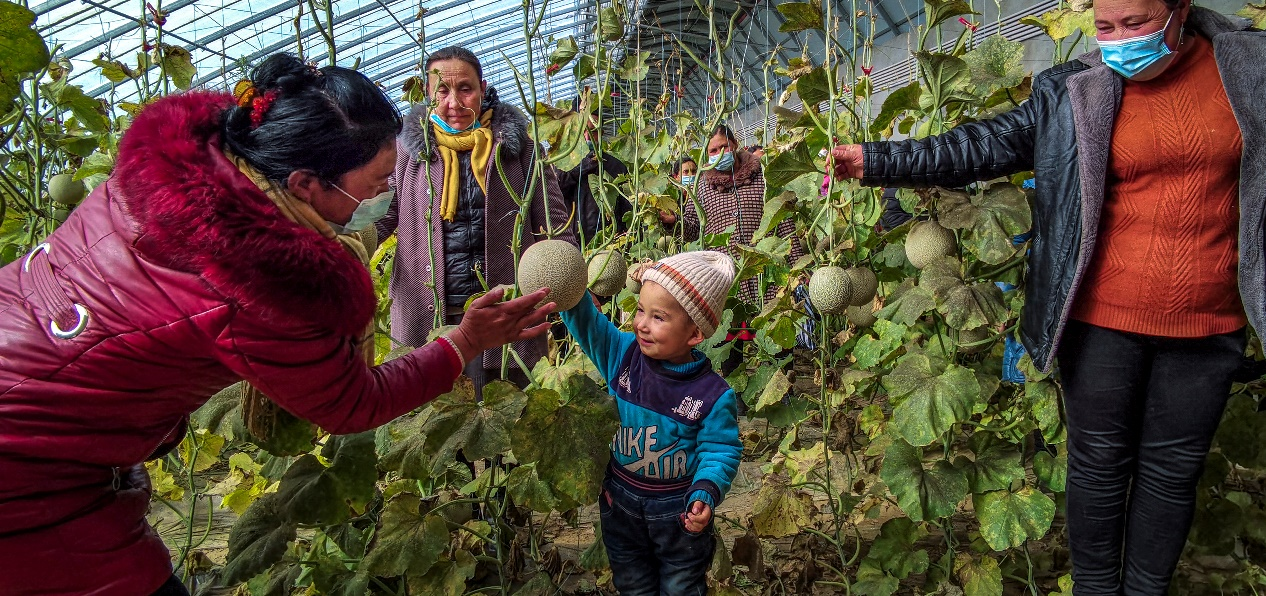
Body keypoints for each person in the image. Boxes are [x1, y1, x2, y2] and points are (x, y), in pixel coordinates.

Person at [0, 54, 555, 596]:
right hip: (25, 470)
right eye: (374, 184)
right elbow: (355, 403)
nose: (385, 194)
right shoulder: (262, 289)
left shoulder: (162, 175)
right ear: (304, 185)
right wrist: (466, 339)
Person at [829, 2, 1263, 592]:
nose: (1119, 42)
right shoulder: (1076, 88)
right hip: (1101, 316)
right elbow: (985, 144)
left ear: (1179, 10)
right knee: (1098, 465)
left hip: (1208, 320)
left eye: (1135, 25)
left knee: (1172, 472)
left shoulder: (1248, 68)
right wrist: (878, 159)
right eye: (1105, 28)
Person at [377, 46, 575, 395]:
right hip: (430, 313)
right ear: (428, 93)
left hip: (504, 313)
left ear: (482, 88)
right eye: (442, 90)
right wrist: (339, 246)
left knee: (505, 415)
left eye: (465, 89)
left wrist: (572, 286)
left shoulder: (519, 147)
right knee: (434, 421)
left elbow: (553, 224)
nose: (454, 102)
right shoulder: (409, 150)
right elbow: (382, 215)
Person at [559, 251, 743, 595]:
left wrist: (706, 489)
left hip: (679, 513)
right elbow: (588, 324)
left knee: (681, 586)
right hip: (620, 504)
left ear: (694, 334)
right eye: (640, 310)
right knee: (632, 583)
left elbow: (720, 450)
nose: (642, 323)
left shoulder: (713, 394)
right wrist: (566, 284)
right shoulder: (623, 355)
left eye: (658, 317)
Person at [679, 125, 805, 374]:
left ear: (734, 144)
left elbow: (784, 221)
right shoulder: (702, 186)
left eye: (723, 147)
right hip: (725, 276)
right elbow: (693, 229)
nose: (718, 153)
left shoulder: (763, 176)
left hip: (765, 272)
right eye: (713, 150)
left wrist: (797, 265)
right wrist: (674, 221)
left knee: (776, 333)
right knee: (728, 340)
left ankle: (781, 389)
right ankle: (736, 399)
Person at [557, 106, 630, 243]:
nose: (587, 137)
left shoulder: (616, 166)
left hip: (607, 244)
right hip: (570, 242)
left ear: (601, 133)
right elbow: (554, 191)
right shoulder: (562, 162)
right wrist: (578, 168)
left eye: (594, 131)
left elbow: (626, 210)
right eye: (583, 130)